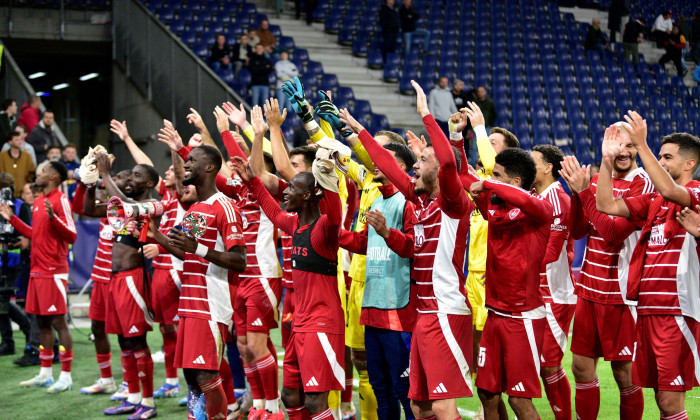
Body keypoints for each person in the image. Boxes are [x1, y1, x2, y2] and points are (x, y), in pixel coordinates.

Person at [341, 79, 474, 420]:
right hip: (425, 314)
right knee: (419, 405)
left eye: (422, 159)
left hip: (446, 311)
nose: (415, 164)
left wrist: (428, 116)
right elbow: (389, 167)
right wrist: (360, 133)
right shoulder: (423, 203)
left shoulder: (452, 204)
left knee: (444, 407)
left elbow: (447, 164)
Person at [232, 129, 345, 420]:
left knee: (316, 401)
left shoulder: (325, 228)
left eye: (293, 187)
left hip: (322, 323)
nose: (286, 190)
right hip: (300, 324)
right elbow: (270, 209)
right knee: (291, 396)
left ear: (307, 195)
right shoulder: (294, 225)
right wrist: (253, 181)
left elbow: (335, 211)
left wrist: (327, 172)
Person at [595, 113, 700, 419]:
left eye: (667, 157)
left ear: (689, 164)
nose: (661, 162)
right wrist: (605, 162)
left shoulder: (694, 193)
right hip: (648, 310)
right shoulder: (654, 200)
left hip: (678, 311)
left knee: (670, 402)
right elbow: (607, 205)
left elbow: (670, 190)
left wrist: (641, 146)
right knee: (660, 400)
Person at [558, 122, 652, 420]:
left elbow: (612, 233)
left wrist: (585, 193)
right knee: (581, 367)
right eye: (615, 145)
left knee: (624, 372)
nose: (622, 152)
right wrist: (576, 194)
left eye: (628, 145)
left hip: (622, 295)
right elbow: (576, 231)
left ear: (637, 147)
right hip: (589, 290)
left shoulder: (644, 184)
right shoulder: (598, 179)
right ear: (604, 148)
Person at [150, 144, 247, 420]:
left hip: (211, 304)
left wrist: (199, 249)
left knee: (206, 374)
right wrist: (156, 235)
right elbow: (186, 251)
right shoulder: (196, 208)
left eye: (192, 160)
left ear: (210, 167)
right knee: (192, 375)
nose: (186, 164)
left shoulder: (225, 207)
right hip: (190, 304)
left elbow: (240, 260)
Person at [461, 147, 551, 420]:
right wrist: (456, 139)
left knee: (519, 400)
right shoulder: (496, 206)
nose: (490, 179)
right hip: (495, 314)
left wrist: (487, 182)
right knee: (487, 393)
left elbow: (504, 192)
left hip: (522, 316)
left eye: (497, 175)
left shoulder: (539, 210)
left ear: (515, 182)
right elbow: (464, 177)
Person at [338, 141, 418, 420]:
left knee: (404, 391)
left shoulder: (409, 201)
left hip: (398, 309)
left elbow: (413, 248)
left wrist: (387, 232)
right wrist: (330, 233)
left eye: (386, 157)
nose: (375, 161)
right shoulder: (375, 199)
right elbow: (363, 241)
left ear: (402, 168)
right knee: (380, 390)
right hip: (372, 307)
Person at [449, 105, 519, 419]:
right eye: (487, 140)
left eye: (495, 141)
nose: (488, 144)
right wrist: (456, 138)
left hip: (498, 279)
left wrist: (478, 129)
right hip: (473, 277)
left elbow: (492, 167)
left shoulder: (509, 189)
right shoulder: (481, 187)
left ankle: (515, 407)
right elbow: (461, 173)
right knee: (479, 353)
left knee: (500, 356)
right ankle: (487, 406)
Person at [87, 152, 161, 419]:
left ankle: (149, 403)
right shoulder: (122, 204)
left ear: (151, 183)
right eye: (130, 175)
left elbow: (129, 205)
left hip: (133, 279)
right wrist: (91, 181)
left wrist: (106, 173)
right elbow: (94, 208)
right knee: (124, 342)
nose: (131, 179)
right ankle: (132, 397)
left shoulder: (154, 204)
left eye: (137, 176)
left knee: (137, 341)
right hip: (114, 279)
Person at [0, 161, 76, 393]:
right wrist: (12, 218)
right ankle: (45, 373)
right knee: (42, 322)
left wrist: (55, 219)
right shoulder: (39, 201)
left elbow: (72, 235)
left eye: (42, 171)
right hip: (37, 270)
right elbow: (36, 234)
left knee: (58, 323)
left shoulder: (60, 200)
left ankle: (66, 375)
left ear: (52, 176)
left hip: (54, 271)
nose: (38, 174)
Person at [72, 167, 131, 397]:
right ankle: (107, 379)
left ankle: (129, 382)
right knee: (97, 327)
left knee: (124, 334)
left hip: (119, 278)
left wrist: (102, 177)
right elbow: (81, 209)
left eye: (117, 178)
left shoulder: (130, 208)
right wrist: (87, 184)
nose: (111, 181)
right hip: (100, 279)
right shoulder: (108, 208)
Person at [530, 145, 576, 420]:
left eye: (533, 162)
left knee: (549, 365)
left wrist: (515, 264)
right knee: (531, 363)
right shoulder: (535, 195)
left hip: (555, 295)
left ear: (548, 167)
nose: (528, 166)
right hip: (534, 292)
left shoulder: (558, 199)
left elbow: (550, 253)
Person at [0, 173, 33, 356]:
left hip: (13, 259)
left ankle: (26, 328)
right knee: (1, 300)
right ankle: (7, 342)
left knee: (3, 298)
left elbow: (27, 236)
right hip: (2, 257)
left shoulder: (21, 206)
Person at [0, 131, 35, 197]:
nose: (20, 142)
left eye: (21, 139)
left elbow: (32, 172)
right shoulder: (2, 156)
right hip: (5, 193)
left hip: (22, 194)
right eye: (16, 140)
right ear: (10, 142)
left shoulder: (27, 155)